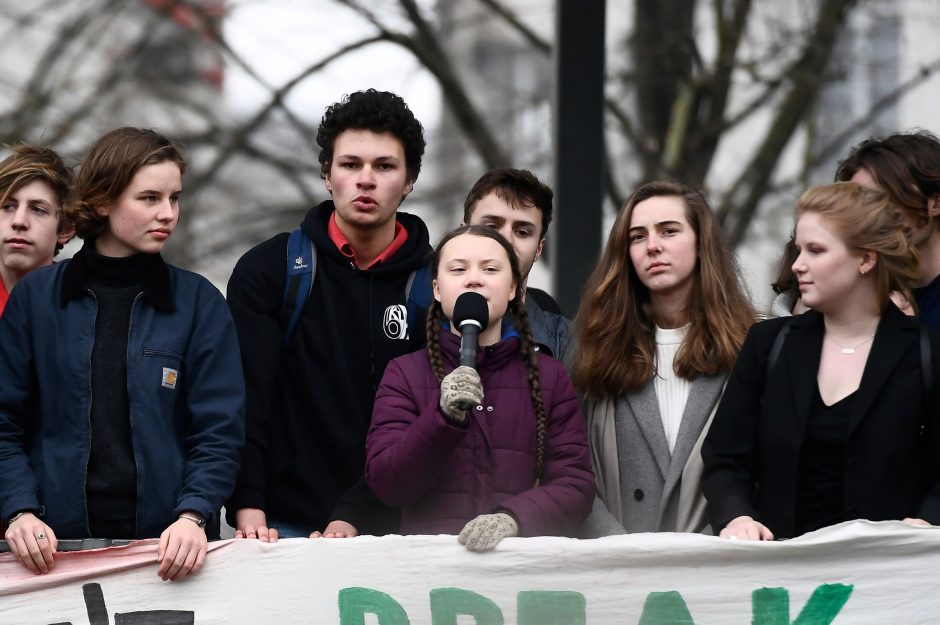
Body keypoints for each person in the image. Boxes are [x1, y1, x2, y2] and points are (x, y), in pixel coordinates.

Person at [0, 127, 245, 579]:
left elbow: (218, 430)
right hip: (50, 553)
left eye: (175, 198)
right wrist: (19, 511)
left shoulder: (199, 302)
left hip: (169, 552)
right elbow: (4, 422)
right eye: (149, 198)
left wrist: (194, 514)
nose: (168, 213)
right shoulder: (36, 299)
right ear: (101, 200)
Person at [226, 89, 431, 541]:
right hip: (280, 526)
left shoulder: (436, 286)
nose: (366, 179)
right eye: (351, 164)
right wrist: (248, 505)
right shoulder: (269, 269)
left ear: (409, 179)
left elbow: (426, 422)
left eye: (384, 166)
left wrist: (353, 515)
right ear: (327, 174)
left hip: (399, 530)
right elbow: (246, 400)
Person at [702, 182, 940, 541]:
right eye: (799, 250)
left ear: (865, 259)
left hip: (888, 582)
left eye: (816, 251)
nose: (797, 265)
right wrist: (737, 516)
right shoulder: (768, 344)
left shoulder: (928, 351)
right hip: (782, 582)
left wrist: (926, 523)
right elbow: (725, 460)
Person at [365, 225, 594, 551]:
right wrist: (441, 418)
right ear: (437, 289)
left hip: (517, 570)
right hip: (429, 573)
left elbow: (575, 484)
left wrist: (513, 519)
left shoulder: (549, 376)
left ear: (513, 287)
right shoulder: (405, 373)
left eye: (490, 269)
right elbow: (388, 484)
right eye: (458, 269)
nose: (474, 279)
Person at [570, 180, 755, 535]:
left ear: (702, 244)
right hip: (620, 568)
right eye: (637, 237)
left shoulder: (751, 344)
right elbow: (570, 468)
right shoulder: (593, 344)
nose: (652, 246)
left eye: (669, 231)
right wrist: (619, 548)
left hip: (716, 566)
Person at [835, 131, 940, 325]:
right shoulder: (861, 294)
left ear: (935, 203)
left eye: (881, 199)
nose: (867, 215)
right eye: (856, 203)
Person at [462, 168, 568, 357]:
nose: (506, 240)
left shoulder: (567, 341)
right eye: (492, 226)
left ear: (538, 249)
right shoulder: (420, 325)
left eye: (522, 232)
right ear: (462, 234)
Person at [0, 145, 75, 316]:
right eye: (8, 206)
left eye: (37, 210)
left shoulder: (82, 305)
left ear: (65, 230)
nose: (19, 221)